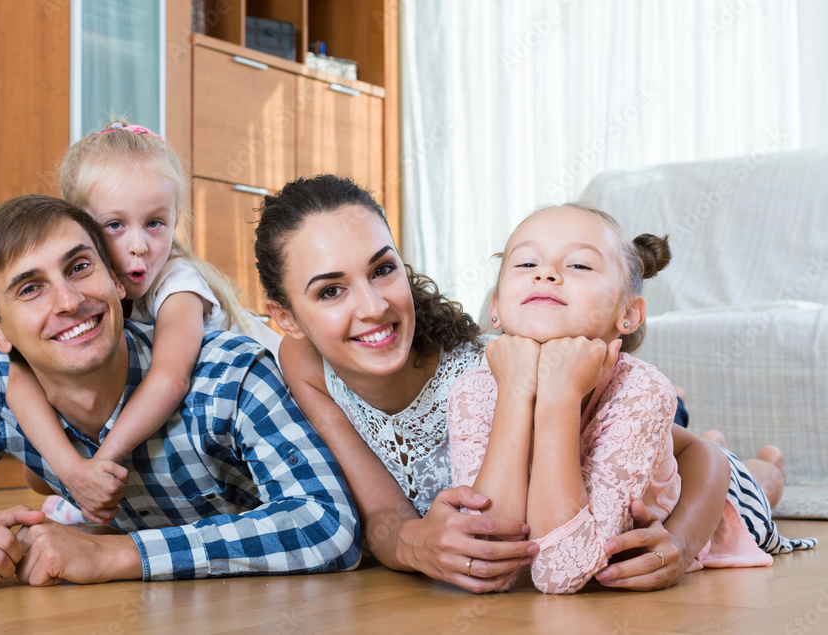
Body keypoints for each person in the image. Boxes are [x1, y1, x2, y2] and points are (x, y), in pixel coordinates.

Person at [0, 194, 359, 590]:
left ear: (113, 279)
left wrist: (115, 556)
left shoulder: (228, 371)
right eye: (30, 288)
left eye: (79, 267)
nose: (68, 301)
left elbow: (327, 525)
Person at [254, 174, 732, 594]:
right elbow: (382, 513)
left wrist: (684, 543)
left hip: (611, 436)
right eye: (330, 290)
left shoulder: (491, 364)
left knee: (738, 483)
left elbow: (701, 459)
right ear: (285, 317)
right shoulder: (304, 361)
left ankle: (760, 467)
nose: (374, 307)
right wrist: (412, 544)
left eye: (383, 269)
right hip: (567, 492)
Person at [447, 204, 816, 594]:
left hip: (706, 493)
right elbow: (488, 557)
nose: (545, 273)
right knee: (690, 446)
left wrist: (559, 398)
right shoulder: (471, 390)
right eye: (525, 264)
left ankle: (767, 464)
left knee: (759, 487)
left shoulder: (642, 390)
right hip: (652, 461)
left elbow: (559, 573)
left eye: (578, 266)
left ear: (629, 314)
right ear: (495, 309)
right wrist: (515, 395)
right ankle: (697, 444)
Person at [8, 121, 282, 525]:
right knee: (37, 465)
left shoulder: (178, 283)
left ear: (175, 221)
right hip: (176, 417)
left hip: (262, 416)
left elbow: (170, 380)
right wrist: (73, 472)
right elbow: (18, 379)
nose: (138, 245)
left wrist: (101, 461)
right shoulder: (83, 292)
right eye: (115, 225)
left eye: (155, 223)